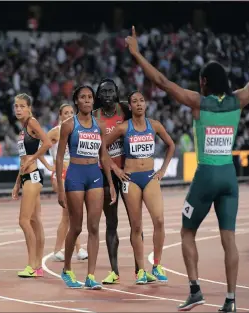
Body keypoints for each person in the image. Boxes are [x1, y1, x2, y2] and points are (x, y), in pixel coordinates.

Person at [125, 18, 249, 311]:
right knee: (228, 240)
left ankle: (195, 289)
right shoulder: (238, 100)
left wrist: (136, 54)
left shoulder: (198, 102)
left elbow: (162, 82)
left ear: (204, 82)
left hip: (205, 177)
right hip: (229, 179)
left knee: (186, 232)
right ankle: (231, 300)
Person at [106, 90, 175, 284]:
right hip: (131, 179)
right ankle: (141, 271)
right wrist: (116, 169)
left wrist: (162, 170)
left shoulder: (154, 126)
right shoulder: (123, 127)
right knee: (136, 226)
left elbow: (171, 145)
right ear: (130, 106)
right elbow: (101, 147)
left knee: (159, 220)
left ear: (145, 105)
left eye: (141, 100)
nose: (138, 104)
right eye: (134, 101)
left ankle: (157, 264)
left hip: (150, 177)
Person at [92, 79, 156, 284]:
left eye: (112, 91)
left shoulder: (126, 110)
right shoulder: (94, 117)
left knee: (135, 223)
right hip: (106, 174)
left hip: (130, 173)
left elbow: (142, 124)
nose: (108, 95)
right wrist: (114, 169)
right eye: (104, 92)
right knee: (111, 223)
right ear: (98, 96)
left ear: (118, 93)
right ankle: (114, 271)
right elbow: (96, 147)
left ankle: (140, 270)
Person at [56, 85, 116, 290]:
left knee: (93, 226)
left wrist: (110, 182)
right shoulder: (68, 125)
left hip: (95, 176)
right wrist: (60, 188)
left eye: (90, 97)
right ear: (76, 101)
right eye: (83, 97)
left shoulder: (98, 126)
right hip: (75, 175)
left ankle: (91, 276)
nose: (88, 100)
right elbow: (58, 156)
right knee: (76, 226)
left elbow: (103, 156)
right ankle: (66, 269)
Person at [11, 93, 52, 278]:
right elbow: (25, 157)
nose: (18, 109)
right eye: (16, 106)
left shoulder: (32, 123)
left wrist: (34, 160)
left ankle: (32, 264)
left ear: (29, 108)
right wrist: (17, 182)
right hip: (27, 176)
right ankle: (38, 267)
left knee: (24, 221)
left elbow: (47, 142)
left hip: (34, 176)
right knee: (35, 221)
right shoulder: (23, 129)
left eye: (21, 106)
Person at [47, 103, 88, 261]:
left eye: (72, 112)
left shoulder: (75, 131)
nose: (69, 114)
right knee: (69, 213)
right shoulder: (55, 132)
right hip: (61, 175)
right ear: (60, 115)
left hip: (73, 173)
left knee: (71, 214)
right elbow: (41, 148)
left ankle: (71, 249)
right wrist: (49, 166)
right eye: (66, 113)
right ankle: (63, 250)